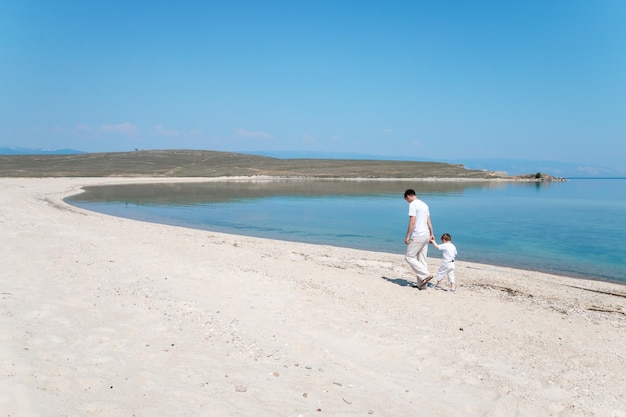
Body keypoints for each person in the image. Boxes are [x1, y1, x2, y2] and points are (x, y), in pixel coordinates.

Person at [403, 189, 434, 289]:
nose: (407, 202)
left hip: (418, 235)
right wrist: (431, 234)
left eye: (406, 200)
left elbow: (413, 221)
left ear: (408, 196)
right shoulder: (424, 205)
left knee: (409, 257)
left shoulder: (413, 204)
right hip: (426, 234)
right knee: (422, 260)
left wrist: (407, 235)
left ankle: (425, 275)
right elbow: (428, 221)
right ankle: (421, 285)